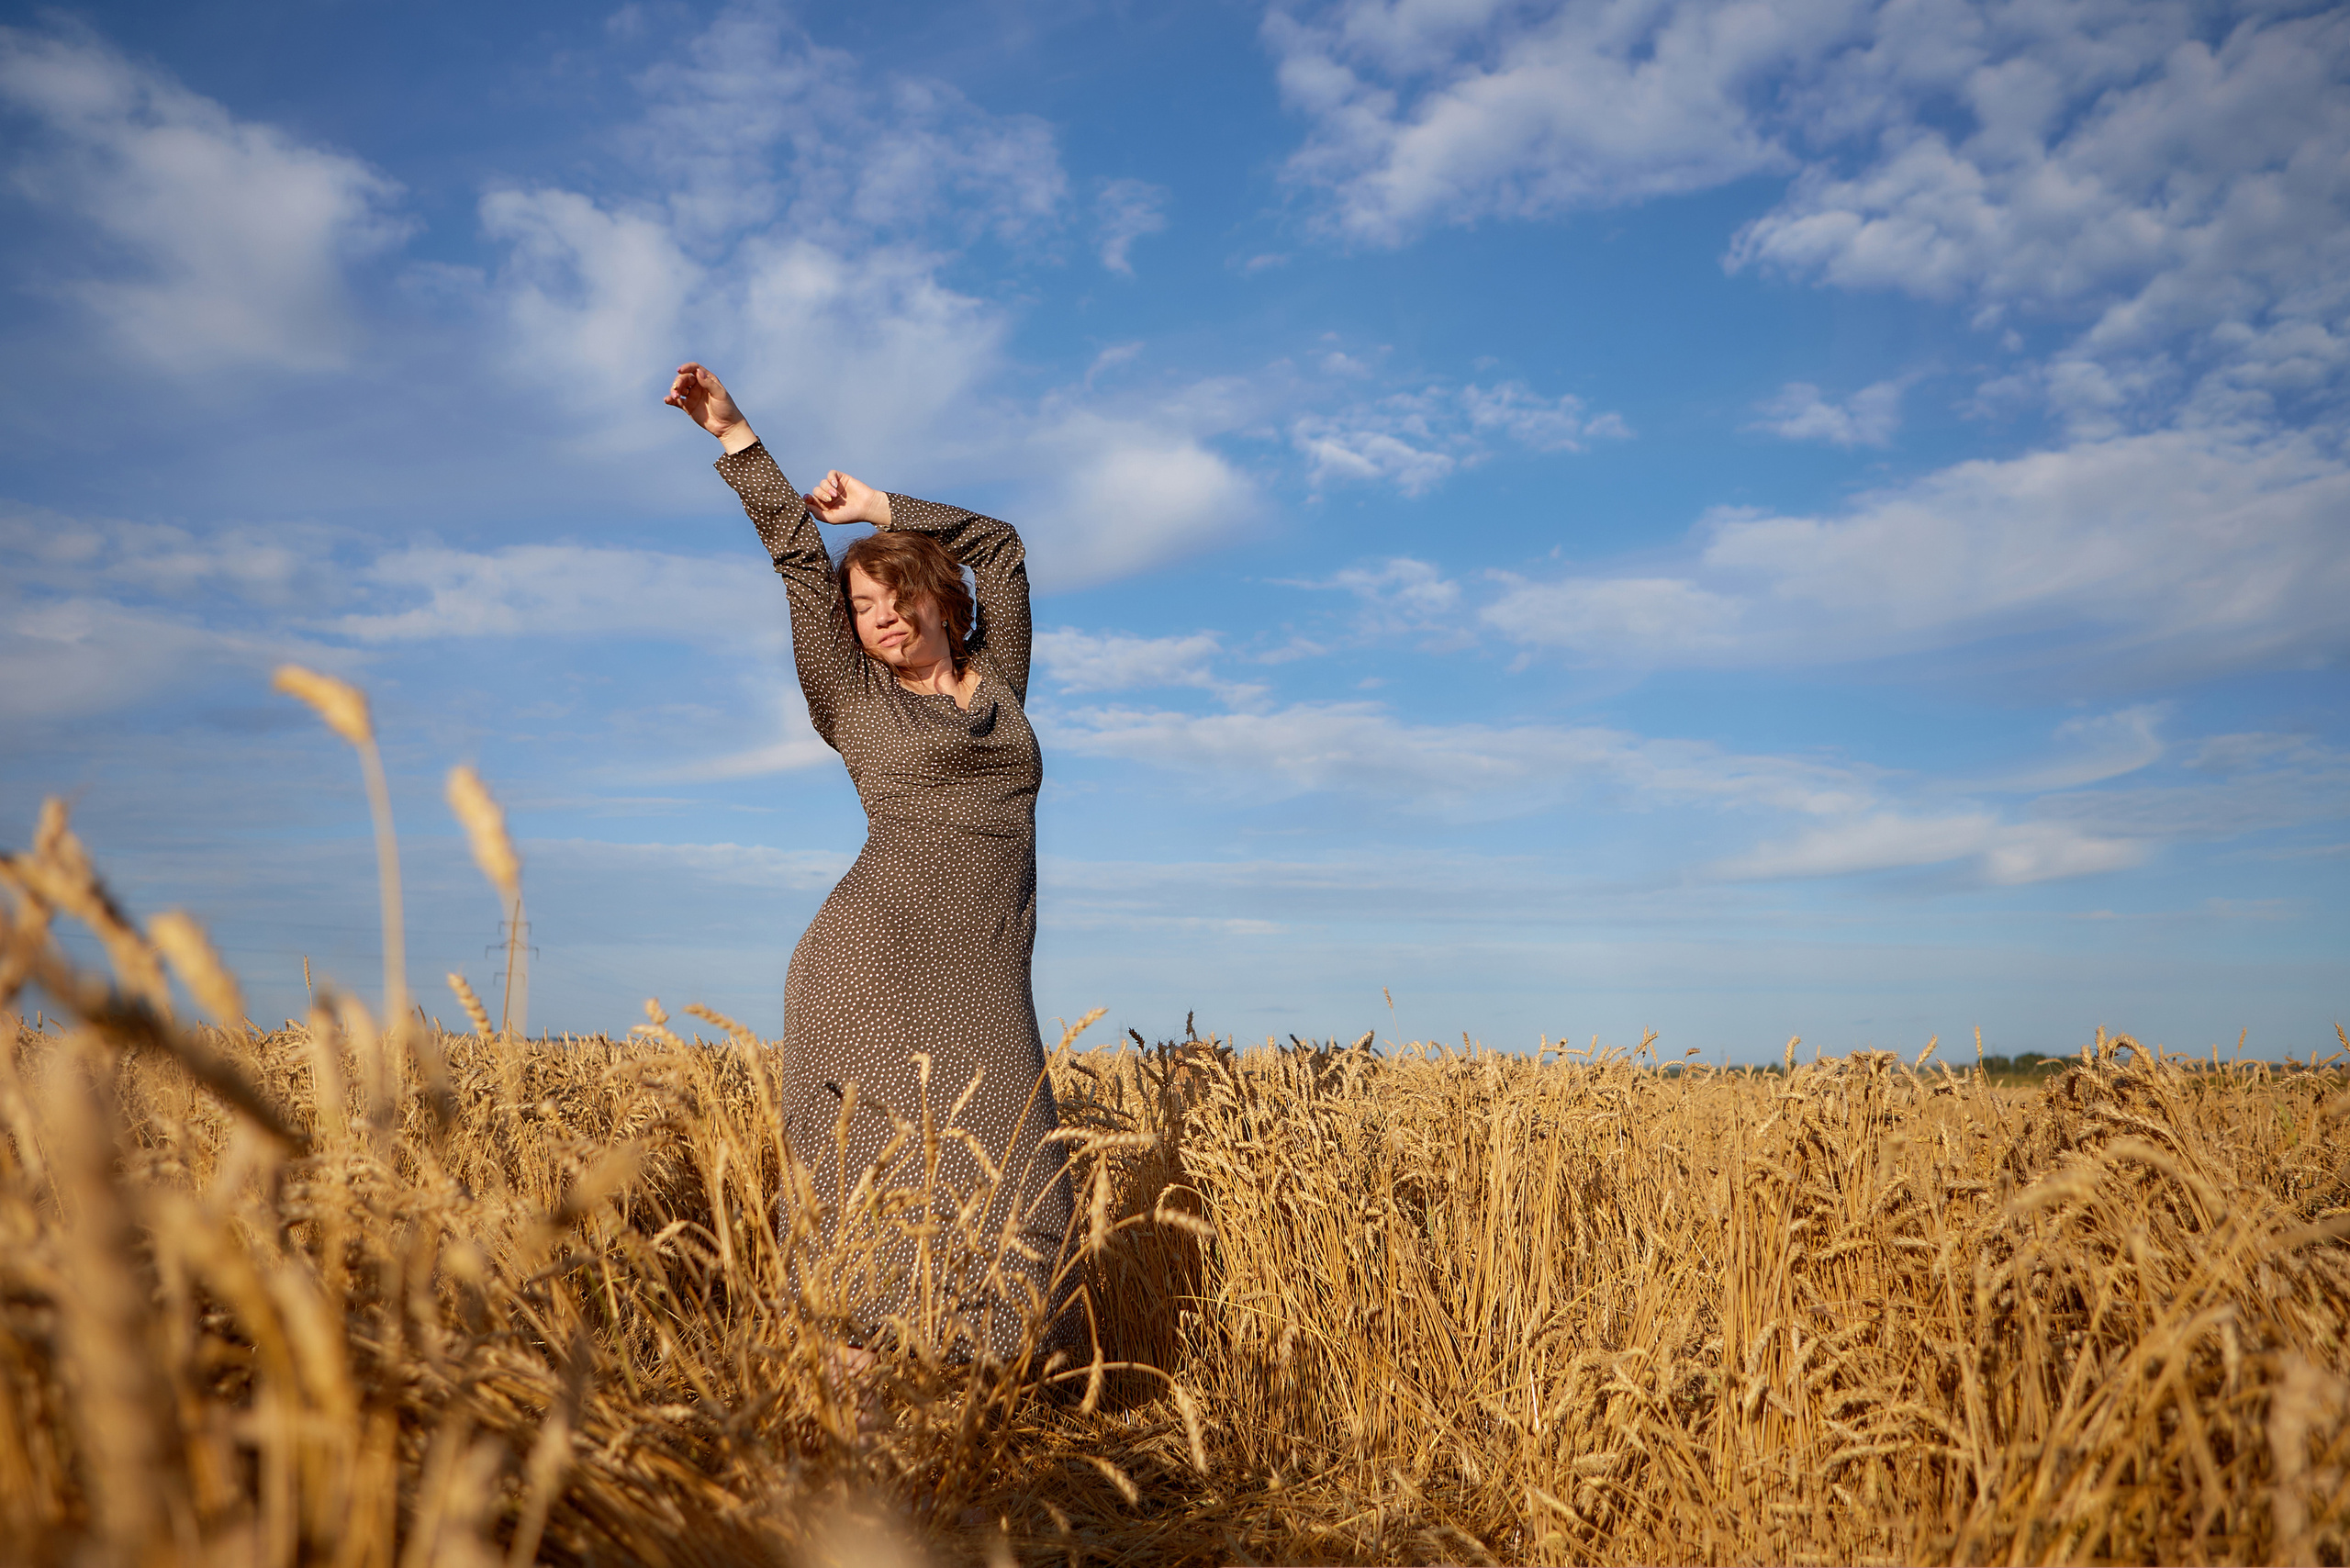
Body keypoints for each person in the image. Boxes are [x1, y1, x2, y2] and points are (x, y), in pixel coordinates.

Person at [665, 362, 1079, 1386]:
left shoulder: (1002, 682)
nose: (881, 616)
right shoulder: (852, 697)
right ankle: (860, 1383)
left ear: (940, 598)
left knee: (1019, 1168)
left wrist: (878, 507)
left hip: (983, 963)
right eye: (863, 606)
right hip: (871, 956)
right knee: (874, 1175)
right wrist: (737, 436)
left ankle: (995, 1377)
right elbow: (800, 564)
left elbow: (1001, 547)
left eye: (895, 592)